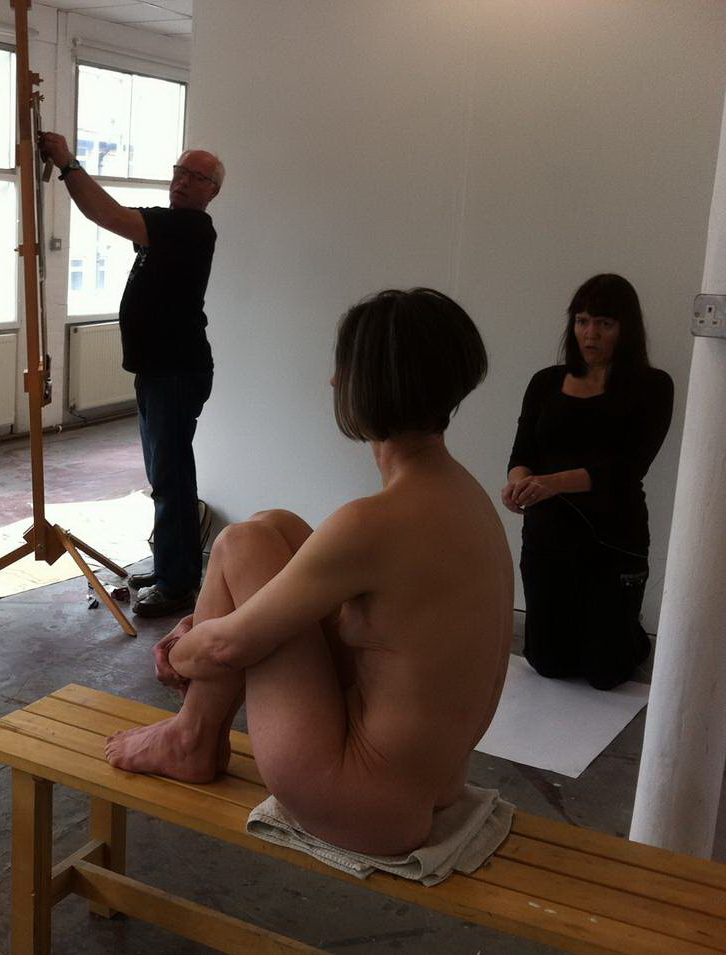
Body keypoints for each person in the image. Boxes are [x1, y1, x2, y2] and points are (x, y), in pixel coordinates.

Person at [105, 288, 512, 857]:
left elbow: (222, 651)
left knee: (240, 543)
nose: (332, 381)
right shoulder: (466, 496)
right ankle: (193, 732)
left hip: (358, 802)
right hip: (431, 785)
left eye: (342, 368)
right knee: (276, 527)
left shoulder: (374, 523)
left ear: (366, 384)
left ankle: (192, 736)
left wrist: (181, 649)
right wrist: (207, 629)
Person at [40, 131, 223, 618]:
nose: (183, 181)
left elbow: (107, 214)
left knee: (171, 478)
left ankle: (178, 584)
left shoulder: (190, 227)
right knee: (165, 476)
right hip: (159, 371)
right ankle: (169, 570)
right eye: (179, 172)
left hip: (176, 372)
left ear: (212, 191)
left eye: (196, 177)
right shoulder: (167, 225)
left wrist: (67, 163)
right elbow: (112, 216)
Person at [501, 274, 673, 690]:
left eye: (604, 324)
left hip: (613, 540)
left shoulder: (653, 386)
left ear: (626, 330)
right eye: (582, 321)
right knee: (548, 663)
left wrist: (553, 483)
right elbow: (523, 453)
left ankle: (628, 631)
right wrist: (518, 482)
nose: (590, 334)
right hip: (547, 538)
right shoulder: (545, 381)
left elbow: (628, 467)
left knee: (605, 674)